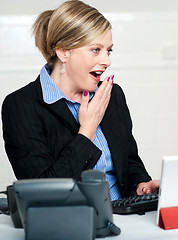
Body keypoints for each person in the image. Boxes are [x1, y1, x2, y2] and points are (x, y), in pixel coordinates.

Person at [1, 0, 159, 200]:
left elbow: (129, 163)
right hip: (72, 223)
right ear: (64, 51)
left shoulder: (111, 95)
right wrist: (87, 131)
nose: (107, 61)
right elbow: (43, 195)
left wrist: (141, 186)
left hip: (125, 217)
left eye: (108, 50)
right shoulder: (21, 106)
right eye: (96, 50)